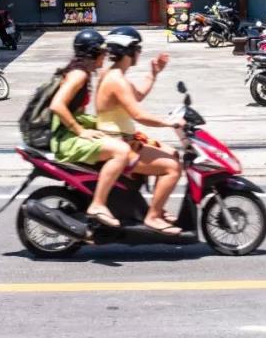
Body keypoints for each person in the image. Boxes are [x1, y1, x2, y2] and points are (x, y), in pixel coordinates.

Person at [96, 27, 184, 236]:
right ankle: (152, 216)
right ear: (128, 51)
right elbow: (138, 115)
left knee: (173, 153)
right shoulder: (116, 80)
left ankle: (158, 207)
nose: (139, 53)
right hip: (120, 144)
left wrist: (153, 74)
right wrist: (169, 123)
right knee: (173, 168)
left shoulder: (115, 75)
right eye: (138, 48)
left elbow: (138, 96)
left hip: (126, 139)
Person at [48, 29, 133, 228]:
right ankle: (98, 204)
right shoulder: (78, 75)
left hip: (68, 132)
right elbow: (57, 105)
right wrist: (80, 130)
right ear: (92, 53)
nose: (106, 56)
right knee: (121, 151)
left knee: (118, 138)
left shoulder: (82, 71)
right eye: (102, 52)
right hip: (65, 138)